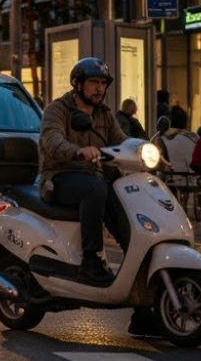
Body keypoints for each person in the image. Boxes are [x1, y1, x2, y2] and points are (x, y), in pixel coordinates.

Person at [38, 57, 128, 287]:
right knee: (95, 189)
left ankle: (136, 257)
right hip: (60, 176)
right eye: (93, 82)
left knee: (125, 195)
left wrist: (147, 151)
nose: (100, 88)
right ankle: (91, 260)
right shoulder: (57, 109)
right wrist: (78, 151)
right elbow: (52, 140)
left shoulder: (104, 114)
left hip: (93, 175)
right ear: (78, 84)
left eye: (103, 83)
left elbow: (122, 141)